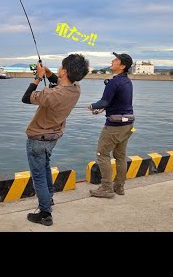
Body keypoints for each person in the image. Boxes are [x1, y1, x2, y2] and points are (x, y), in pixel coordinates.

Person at [22, 54, 90, 226]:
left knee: (38, 175)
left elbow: (26, 97)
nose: (59, 69)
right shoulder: (76, 89)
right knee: (45, 168)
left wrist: (38, 78)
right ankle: (49, 199)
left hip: (37, 138)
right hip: (52, 137)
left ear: (65, 71)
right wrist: (48, 73)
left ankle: (45, 213)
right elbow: (59, 83)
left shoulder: (50, 94)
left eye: (61, 67)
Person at [88, 52, 135, 198]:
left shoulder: (114, 82)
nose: (112, 61)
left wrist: (92, 106)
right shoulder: (127, 81)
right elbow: (116, 102)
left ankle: (106, 188)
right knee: (120, 156)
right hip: (128, 124)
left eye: (116, 60)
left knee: (102, 154)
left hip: (114, 126)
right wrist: (103, 108)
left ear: (122, 66)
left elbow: (103, 102)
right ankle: (119, 187)